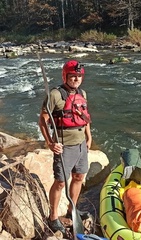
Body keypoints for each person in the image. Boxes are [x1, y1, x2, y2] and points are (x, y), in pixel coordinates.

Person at [38, 60, 92, 235]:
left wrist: (89, 136)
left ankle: (72, 209)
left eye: (78, 76)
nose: (76, 79)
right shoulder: (55, 94)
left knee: (78, 177)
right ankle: (53, 218)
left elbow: (84, 116)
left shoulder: (82, 93)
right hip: (64, 146)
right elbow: (43, 120)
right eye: (72, 76)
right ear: (65, 76)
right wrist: (50, 143)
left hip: (81, 144)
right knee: (61, 182)